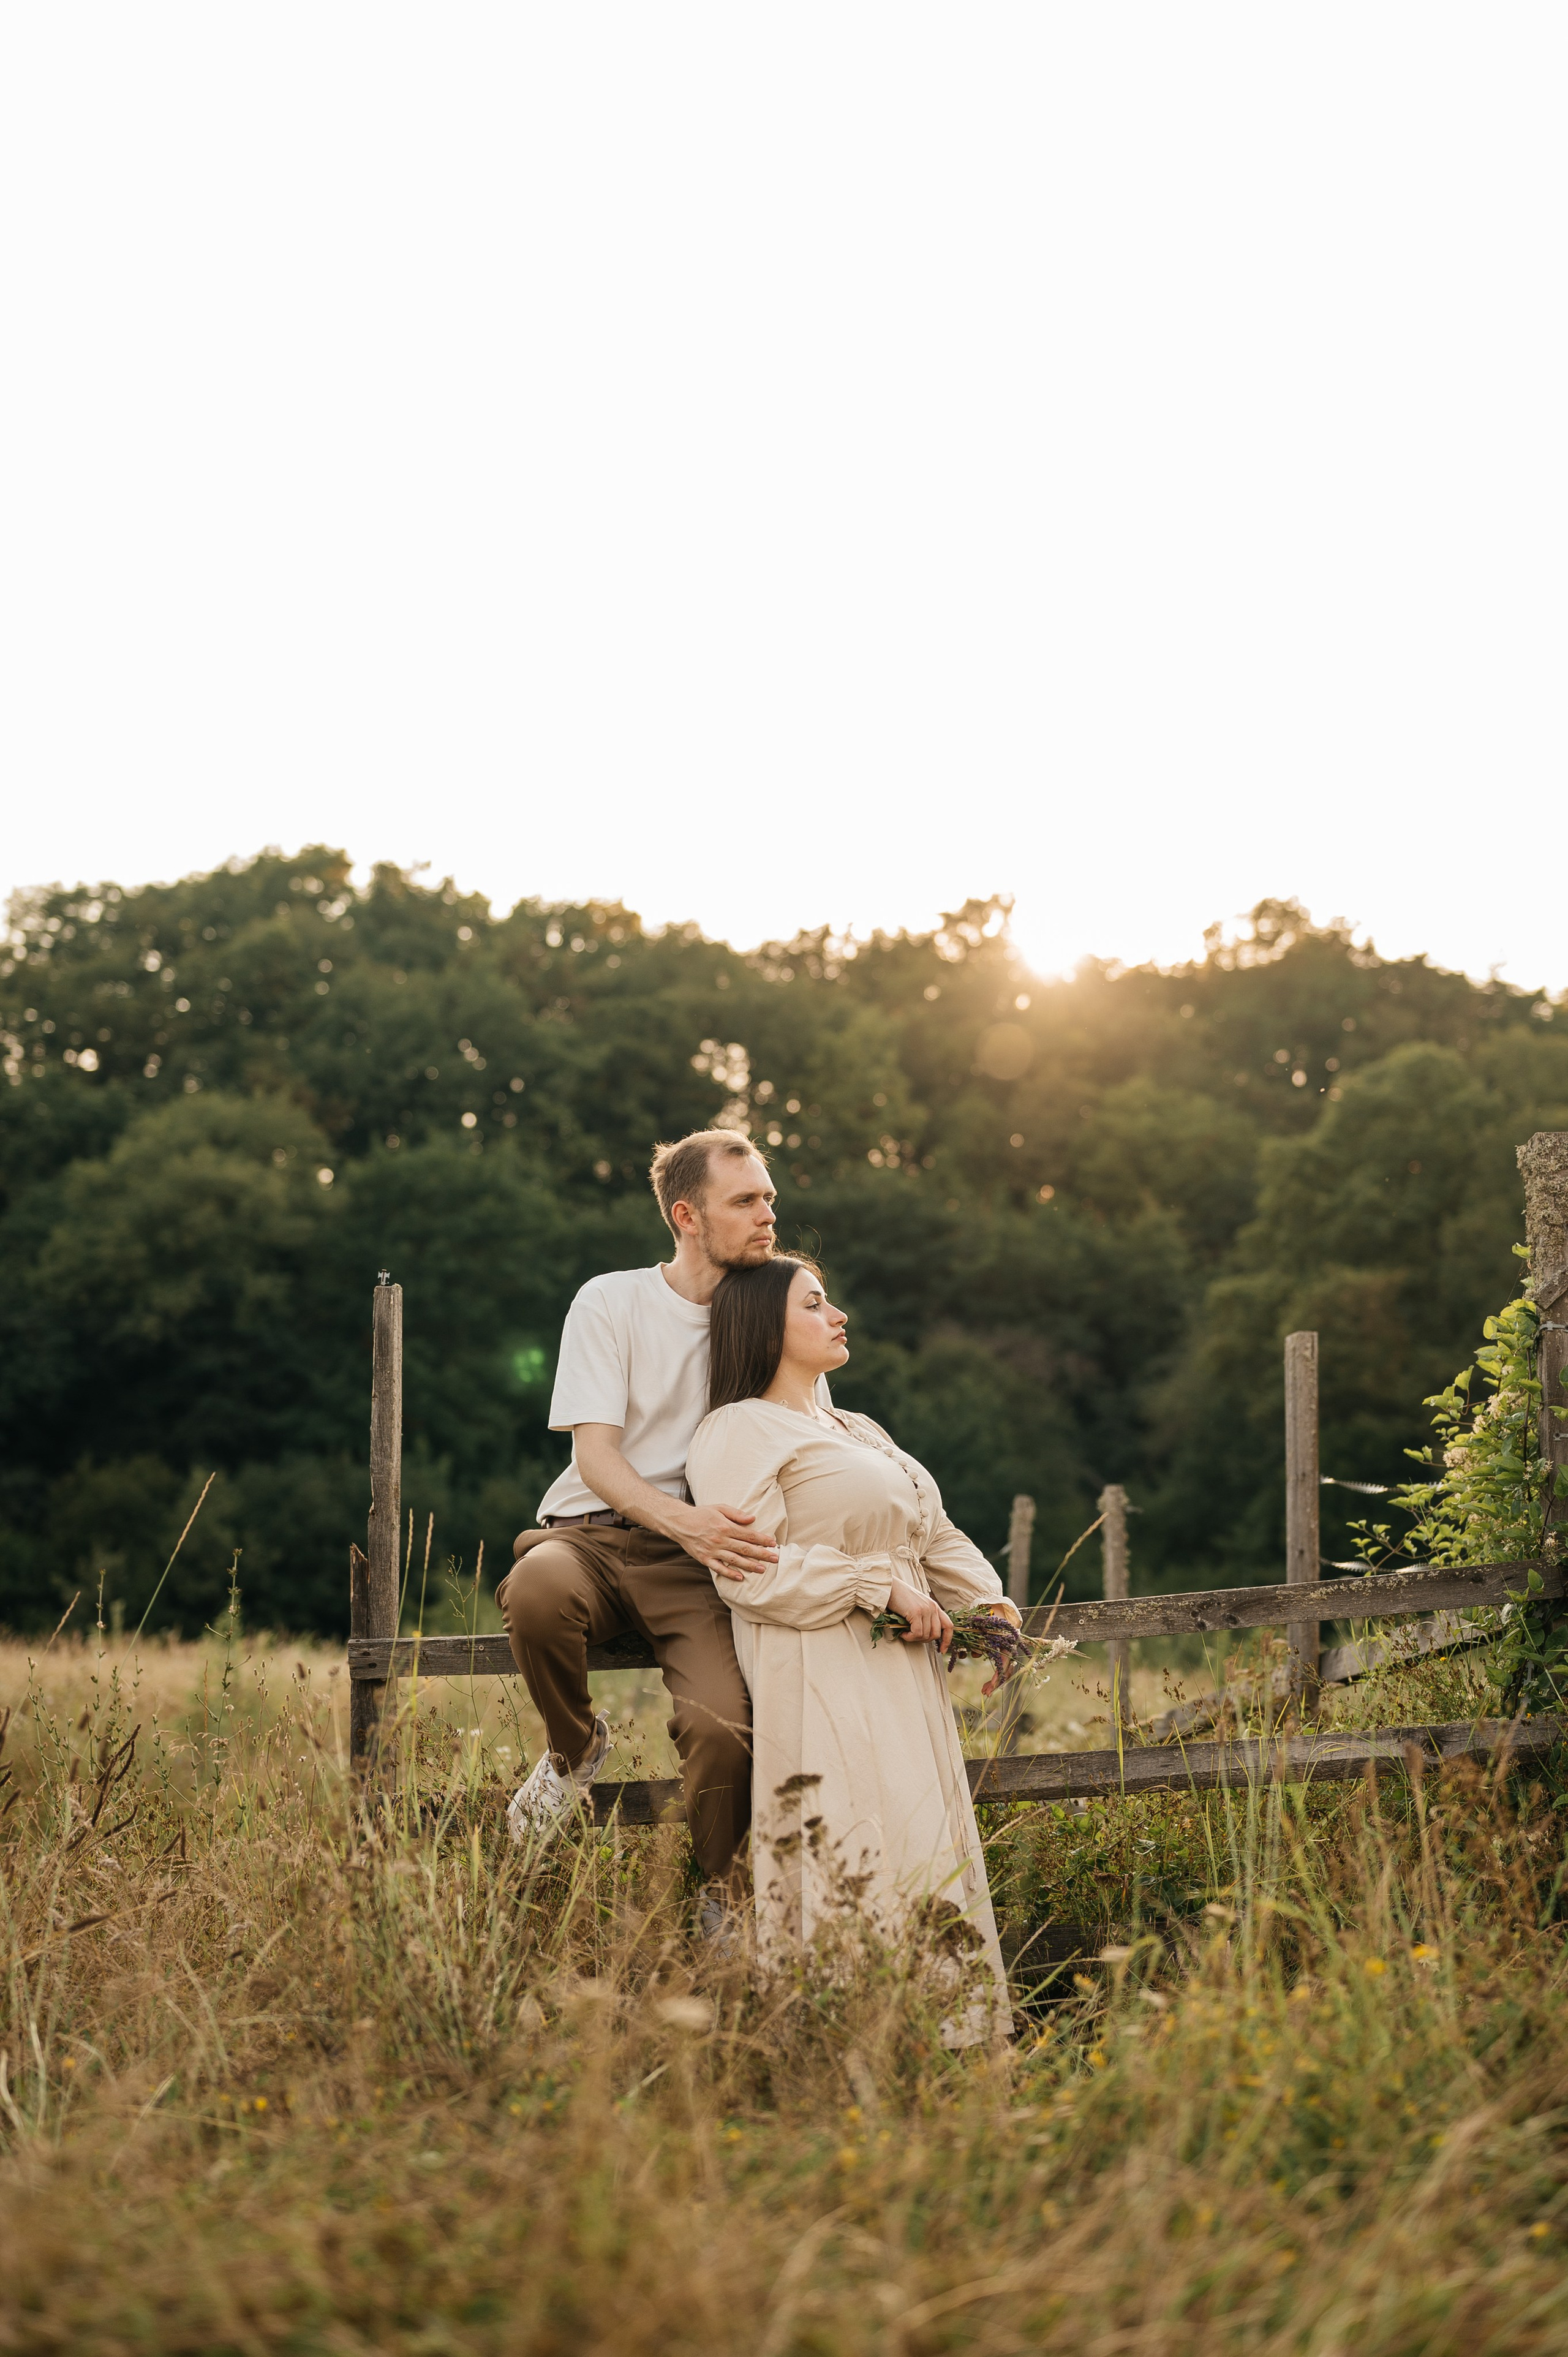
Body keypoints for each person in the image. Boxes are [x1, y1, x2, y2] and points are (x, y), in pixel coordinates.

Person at [684, 1254, 1020, 2038]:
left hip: (902, 1673)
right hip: (820, 1664)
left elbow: (930, 1532)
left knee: (920, 1839)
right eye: (814, 1304)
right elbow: (748, 1571)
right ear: (764, 1326)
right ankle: (848, 2042)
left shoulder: (858, 1428)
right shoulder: (737, 1429)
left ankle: (950, 2036)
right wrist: (876, 1586)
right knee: (851, 1836)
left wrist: (988, 1604)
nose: (837, 1316)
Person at [497, 1128, 815, 1936]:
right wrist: (687, 1523)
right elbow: (596, 1457)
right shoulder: (611, 1300)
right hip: (590, 1537)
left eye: (769, 1198)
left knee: (722, 1727)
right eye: (745, 1201)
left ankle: (724, 1904)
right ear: (687, 1215)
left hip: (701, 1563)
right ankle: (573, 1751)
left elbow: (810, 1437)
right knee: (534, 1589)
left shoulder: (770, 1312)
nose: (767, 1215)